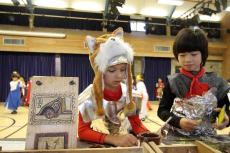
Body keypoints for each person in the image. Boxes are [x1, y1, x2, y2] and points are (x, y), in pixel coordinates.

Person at [78, 27, 149, 147]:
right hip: (98, 147)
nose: (119, 75)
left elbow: (136, 123)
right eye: (111, 70)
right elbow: (82, 131)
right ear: (99, 71)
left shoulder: (129, 94)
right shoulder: (90, 96)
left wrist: (148, 135)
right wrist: (113, 139)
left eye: (123, 70)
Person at [157, 28, 230, 136]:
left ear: (203, 54)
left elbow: (225, 110)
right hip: (178, 138)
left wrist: (226, 119)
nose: (187, 59)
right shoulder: (174, 82)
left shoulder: (216, 82)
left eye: (194, 54)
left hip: (208, 139)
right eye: (182, 55)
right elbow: (162, 111)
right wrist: (178, 121)